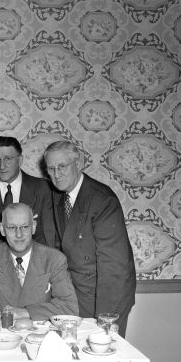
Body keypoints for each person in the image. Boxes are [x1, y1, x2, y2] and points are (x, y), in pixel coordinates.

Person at [44, 141, 136, 335]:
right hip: (76, 294)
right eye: (51, 169)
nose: (56, 174)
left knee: (103, 356)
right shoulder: (59, 196)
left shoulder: (102, 199)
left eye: (62, 166)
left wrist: (106, 319)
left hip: (105, 296)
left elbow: (114, 267)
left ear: (78, 163)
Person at [0, 203, 77, 320]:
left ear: (33, 227)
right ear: (2, 229)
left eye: (24, 227)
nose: (19, 234)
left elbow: (70, 308)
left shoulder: (54, 259)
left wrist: (26, 312)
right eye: (12, 228)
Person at [0, 136, 55, 263]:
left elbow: (47, 237)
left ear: (20, 160)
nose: (2, 166)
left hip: (33, 268)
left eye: (8, 159)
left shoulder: (42, 188)